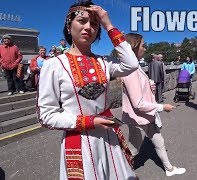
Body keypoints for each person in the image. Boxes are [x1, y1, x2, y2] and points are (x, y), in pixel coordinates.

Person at [37, 1, 139, 179]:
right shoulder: (54, 65)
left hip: (110, 138)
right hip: (80, 141)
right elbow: (46, 115)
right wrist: (88, 122)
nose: (88, 27)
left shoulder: (105, 62)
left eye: (94, 24)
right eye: (81, 21)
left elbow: (131, 63)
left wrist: (108, 24)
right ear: (69, 27)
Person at [121, 33, 186, 177]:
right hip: (139, 117)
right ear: (134, 47)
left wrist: (149, 85)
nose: (145, 48)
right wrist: (163, 107)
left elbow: (140, 91)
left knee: (158, 140)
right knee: (133, 149)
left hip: (145, 116)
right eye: (143, 45)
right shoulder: (131, 70)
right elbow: (138, 104)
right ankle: (119, 172)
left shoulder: (134, 67)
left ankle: (169, 169)